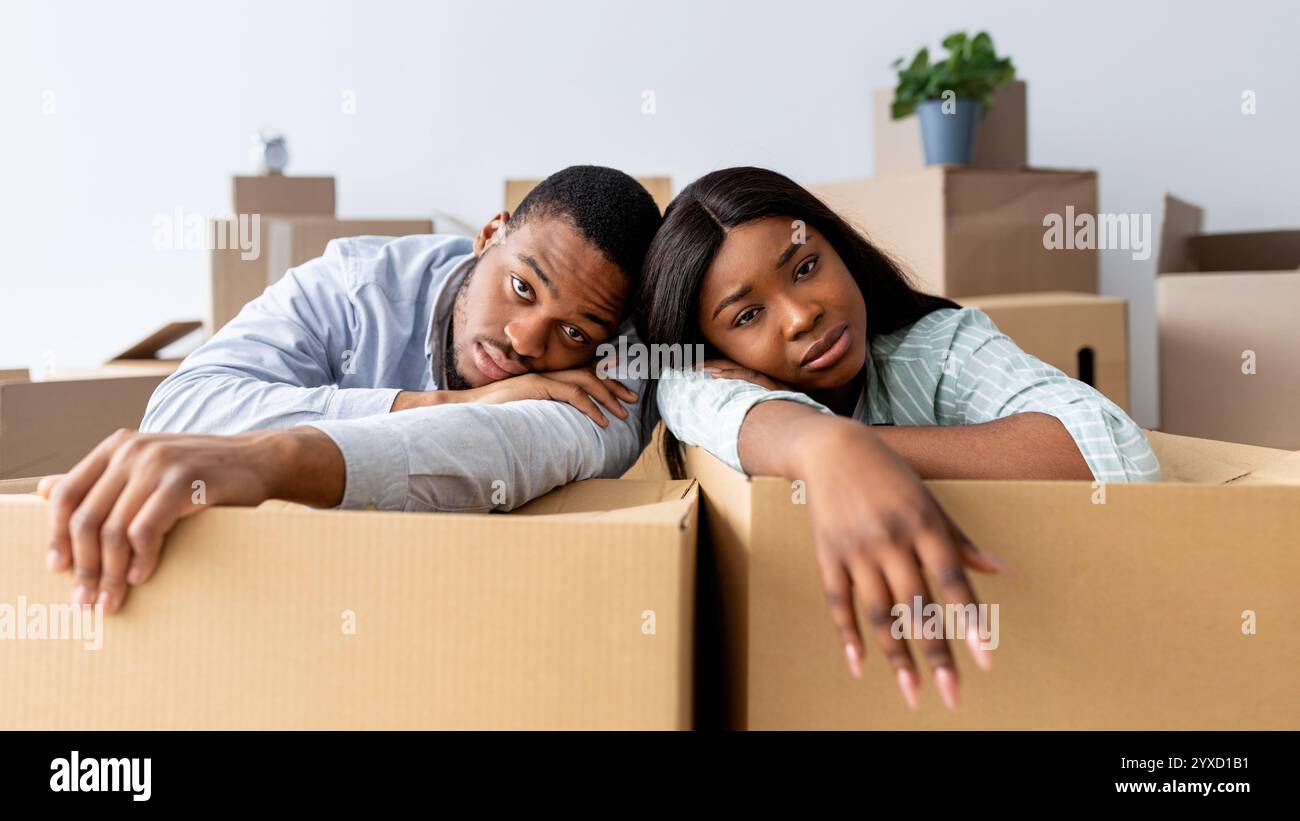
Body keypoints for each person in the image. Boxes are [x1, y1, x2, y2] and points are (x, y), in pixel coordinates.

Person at [637, 166, 1161, 711]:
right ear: (711, 350)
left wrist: (853, 445)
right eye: (747, 315)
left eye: (806, 267)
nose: (800, 316)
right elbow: (682, 392)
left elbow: (1117, 454)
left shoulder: (939, 348)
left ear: (842, 250)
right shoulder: (703, 382)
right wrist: (823, 448)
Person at [39, 165, 662, 615]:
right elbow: (182, 406)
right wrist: (437, 401)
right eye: (522, 287)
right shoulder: (359, 285)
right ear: (490, 234)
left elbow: (518, 446)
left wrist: (281, 457)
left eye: (572, 330)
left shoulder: (619, 360)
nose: (526, 340)